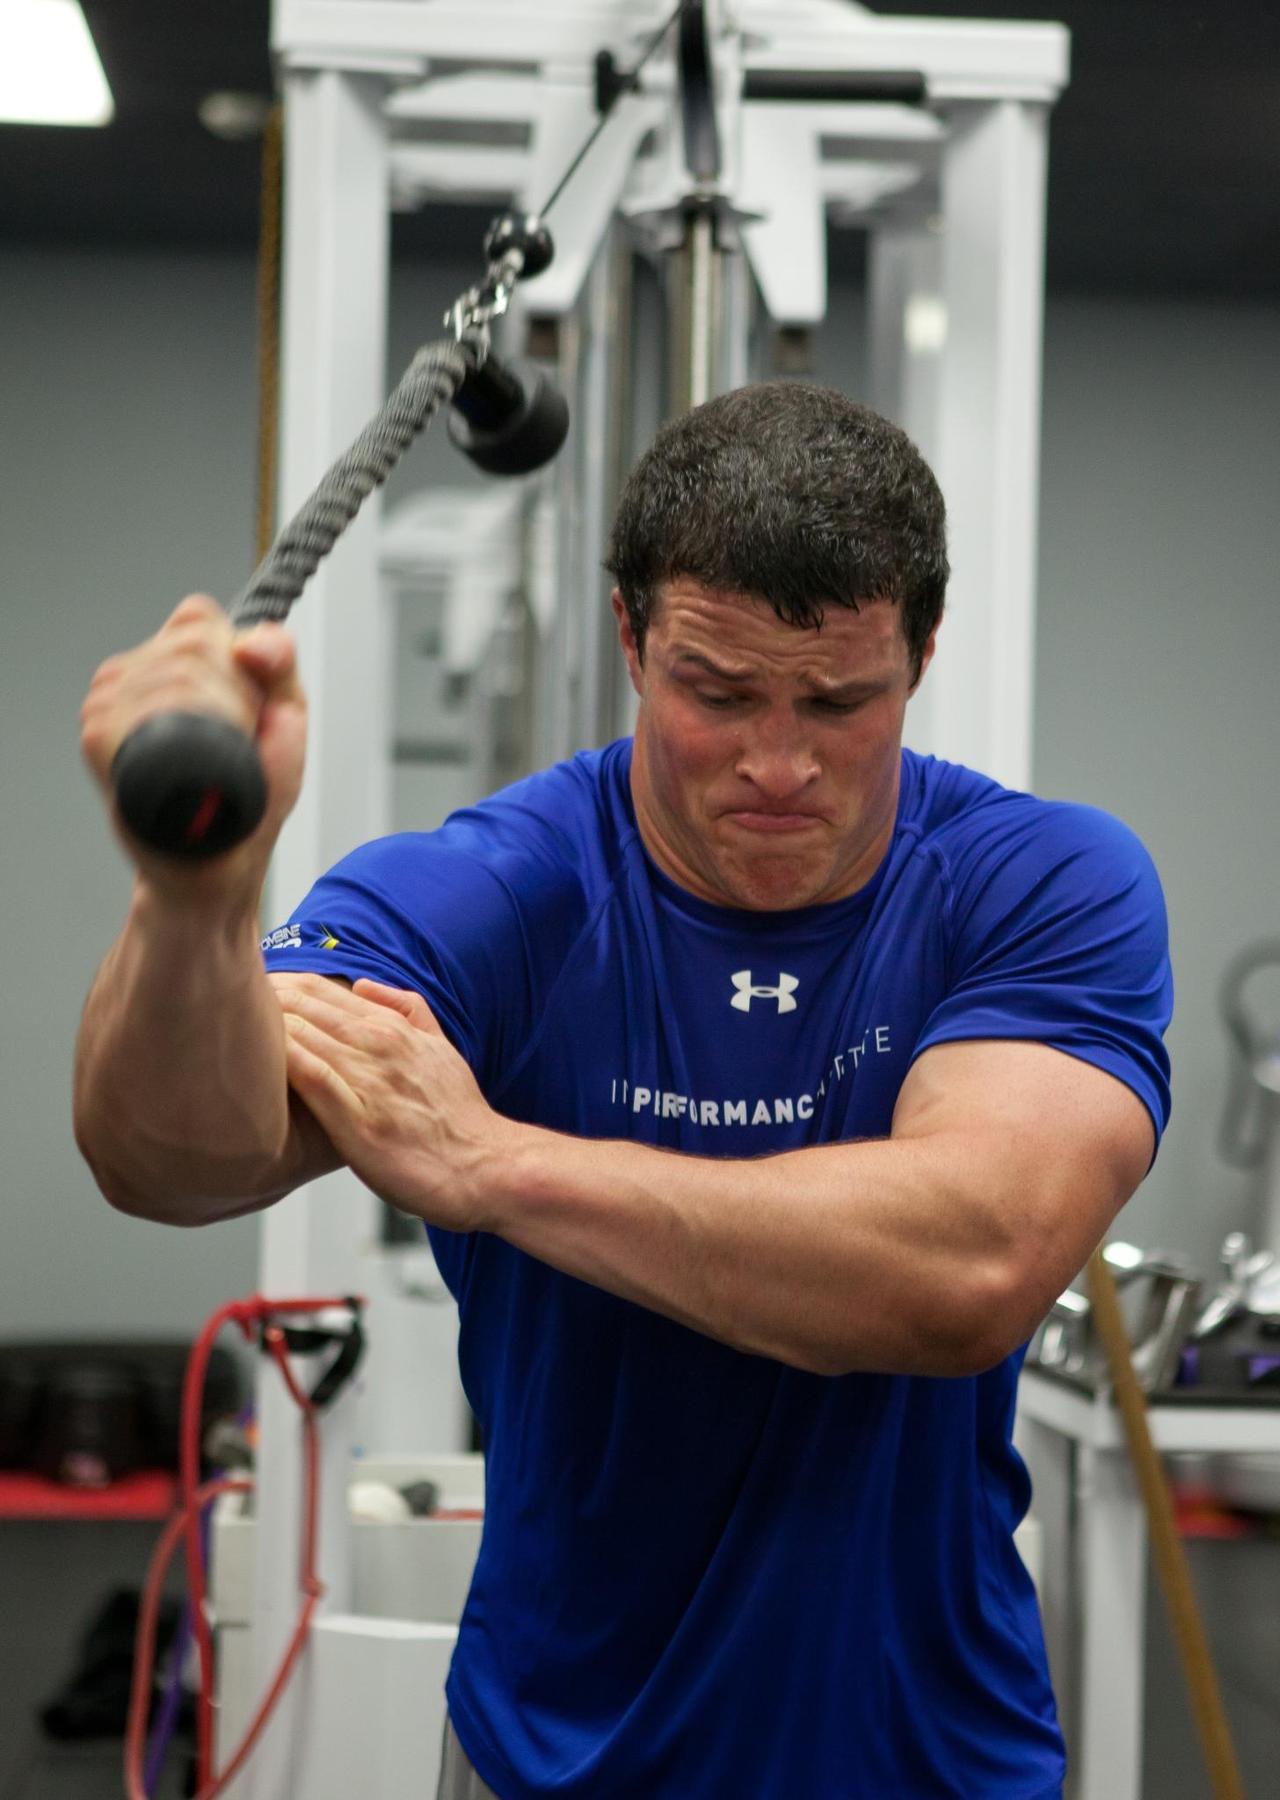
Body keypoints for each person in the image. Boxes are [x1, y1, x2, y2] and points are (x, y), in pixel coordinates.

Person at [75, 382, 1172, 1800]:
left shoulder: (1043, 884)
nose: (779, 764)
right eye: (716, 693)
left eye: (842, 702)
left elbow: (971, 1262)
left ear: (922, 651)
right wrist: (193, 904)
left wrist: (493, 1165)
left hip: (921, 1756)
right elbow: (171, 1161)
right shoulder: (499, 892)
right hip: (553, 1756)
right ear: (630, 637)